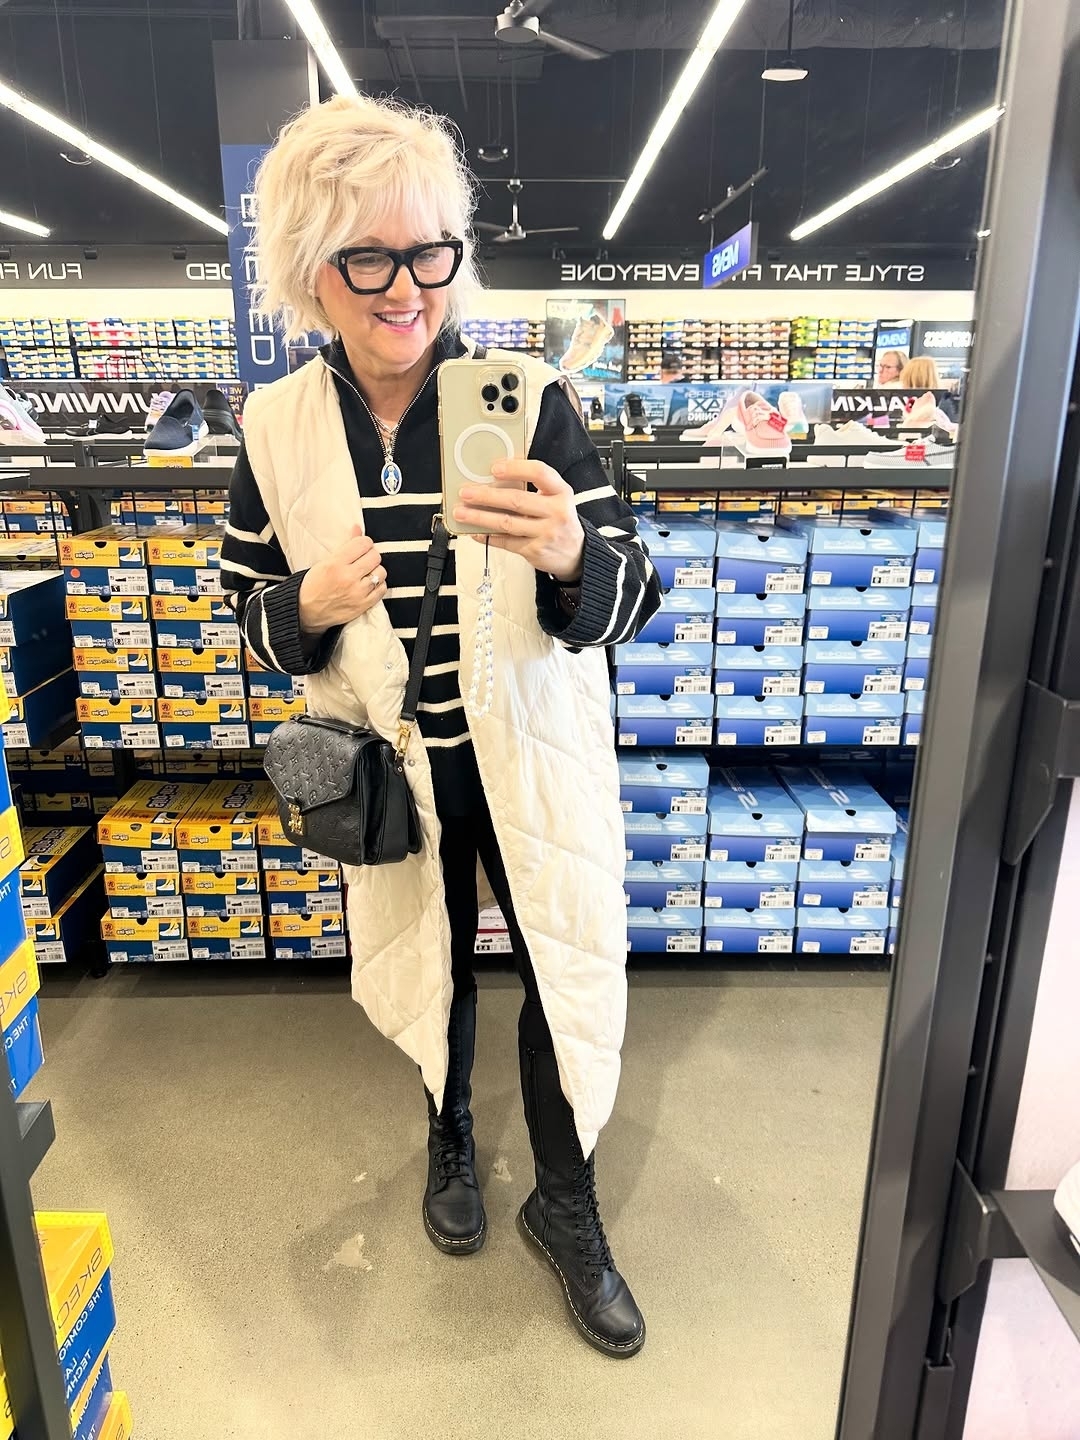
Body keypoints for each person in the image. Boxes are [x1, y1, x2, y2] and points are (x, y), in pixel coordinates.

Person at [220, 94, 661, 1360]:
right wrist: (304, 606)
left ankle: (567, 1204)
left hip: (528, 762)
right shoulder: (276, 428)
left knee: (559, 968)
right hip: (396, 773)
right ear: (312, 268)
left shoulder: (533, 400)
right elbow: (247, 615)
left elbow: (633, 594)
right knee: (433, 959)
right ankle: (450, 1138)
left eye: (428, 252)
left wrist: (572, 552)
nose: (406, 288)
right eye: (368, 257)